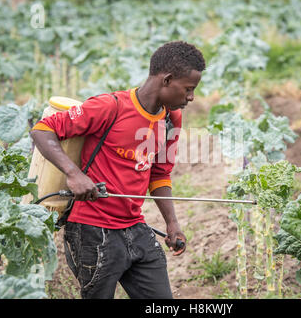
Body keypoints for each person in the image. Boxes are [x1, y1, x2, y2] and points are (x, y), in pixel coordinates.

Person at [30, 41, 205, 299]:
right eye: (188, 89)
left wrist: (172, 223)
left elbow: (159, 175)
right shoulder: (110, 107)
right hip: (91, 231)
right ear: (167, 80)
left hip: (135, 226)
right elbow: (42, 130)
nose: (191, 97)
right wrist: (74, 174)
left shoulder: (170, 119)